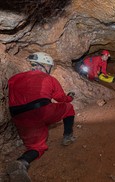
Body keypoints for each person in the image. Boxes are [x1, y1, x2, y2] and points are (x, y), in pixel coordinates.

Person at [6, 52, 76, 181]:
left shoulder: (14, 78)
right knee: (68, 108)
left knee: (37, 147)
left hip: (20, 117)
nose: (49, 70)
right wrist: (70, 97)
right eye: (49, 67)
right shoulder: (49, 79)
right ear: (44, 66)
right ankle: (68, 136)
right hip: (41, 111)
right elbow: (61, 99)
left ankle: (21, 163)